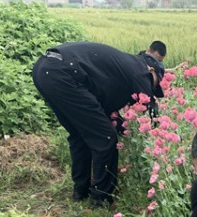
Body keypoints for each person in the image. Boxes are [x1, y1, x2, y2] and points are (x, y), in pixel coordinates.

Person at [32, 41, 165, 207]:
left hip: (45, 70)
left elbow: (104, 114)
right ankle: (100, 199)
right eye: (155, 84)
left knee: (80, 134)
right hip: (64, 72)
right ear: (151, 70)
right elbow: (149, 109)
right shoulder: (140, 70)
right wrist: (160, 134)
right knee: (106, 138)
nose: (152, 88)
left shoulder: (121, 68)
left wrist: (125, 129)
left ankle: (80, 192)